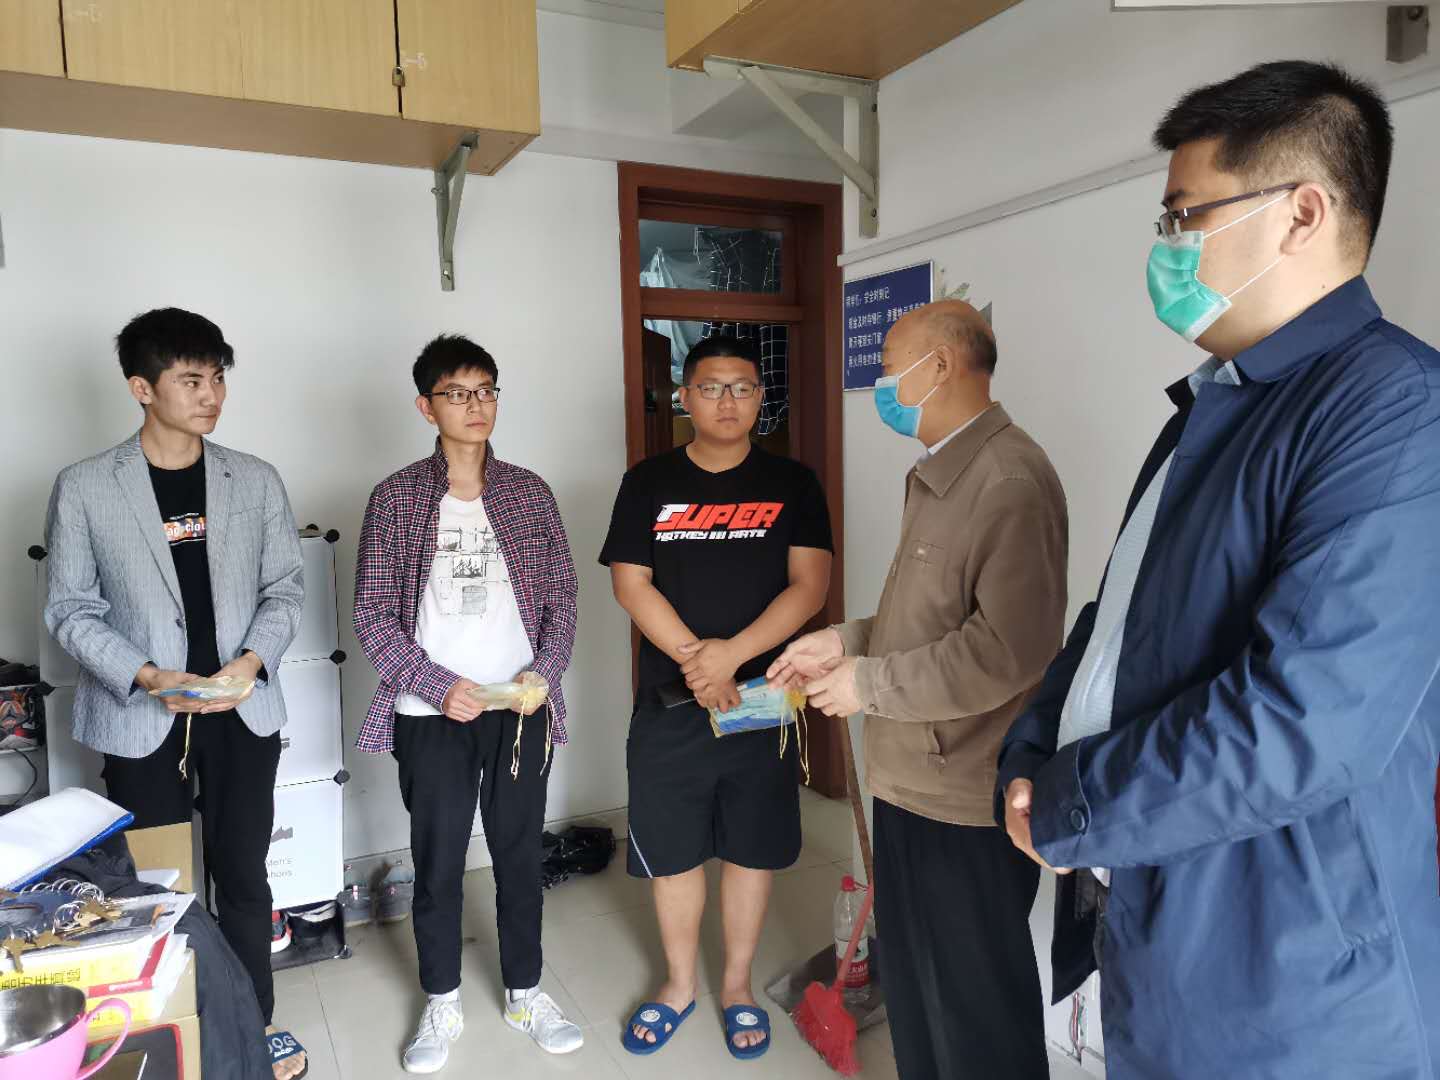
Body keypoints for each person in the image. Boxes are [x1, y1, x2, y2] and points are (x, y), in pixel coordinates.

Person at [998, 61, 1440, 1079]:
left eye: (1184, 215)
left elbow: (1305, 722)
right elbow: (1118, 624)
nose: (1167, 247)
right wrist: (1030, 751)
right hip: (1164, 921)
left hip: (1295, 978)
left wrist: (1071, 805)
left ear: (1302, 214)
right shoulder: (1215, 405)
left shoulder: (1394, 408)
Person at [770, 301, 1067, 1080]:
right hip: (908, 781)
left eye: (887, 366)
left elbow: (1006, 652)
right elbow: (927, 618)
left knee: (974, 1008)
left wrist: (866, 683)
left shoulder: (1008, 480)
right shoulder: (940, 472)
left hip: (962, 796)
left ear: (939, 367)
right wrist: (845, 641)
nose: (879, 384)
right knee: (917, 989)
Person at [44, 307, 308, 1080]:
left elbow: (285, 588)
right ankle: (178, 1033)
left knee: (245, 876)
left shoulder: (253, 478)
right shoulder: (86, 486)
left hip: (240, 711)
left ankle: (253, 1027)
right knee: (155, 886)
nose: (211, 394)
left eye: (218, 377)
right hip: (141, 715)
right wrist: (148, 674)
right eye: (191, 379)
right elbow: (70, 608)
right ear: (141, 387)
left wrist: (251, 664)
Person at [353, 334, 582, 1074]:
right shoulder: (395, 498)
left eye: (486, 391)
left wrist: (544, 672)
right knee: (439, 861)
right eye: (457, 393)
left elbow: (563, 596)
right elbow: (372, 614)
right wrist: (433, 684)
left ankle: (525, 992)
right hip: (432, 715)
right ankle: (442, 999)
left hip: (519, 709)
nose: (475, 405)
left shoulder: (529, 493)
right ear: (427, 407)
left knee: (519, 855)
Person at [600, 334, 833, 1061]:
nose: (727, 401)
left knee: (749, 849)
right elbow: (631, 583)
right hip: (670, 704)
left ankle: (734, 985)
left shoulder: (794, 483)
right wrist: (699, 665)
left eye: (742, 387)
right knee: (672, 853)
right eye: (711, 387)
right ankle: (679, 985)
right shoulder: (648, 482)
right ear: (684, 396)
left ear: (761, 398)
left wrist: (730, 657)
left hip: (763, 701)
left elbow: (810, 586)